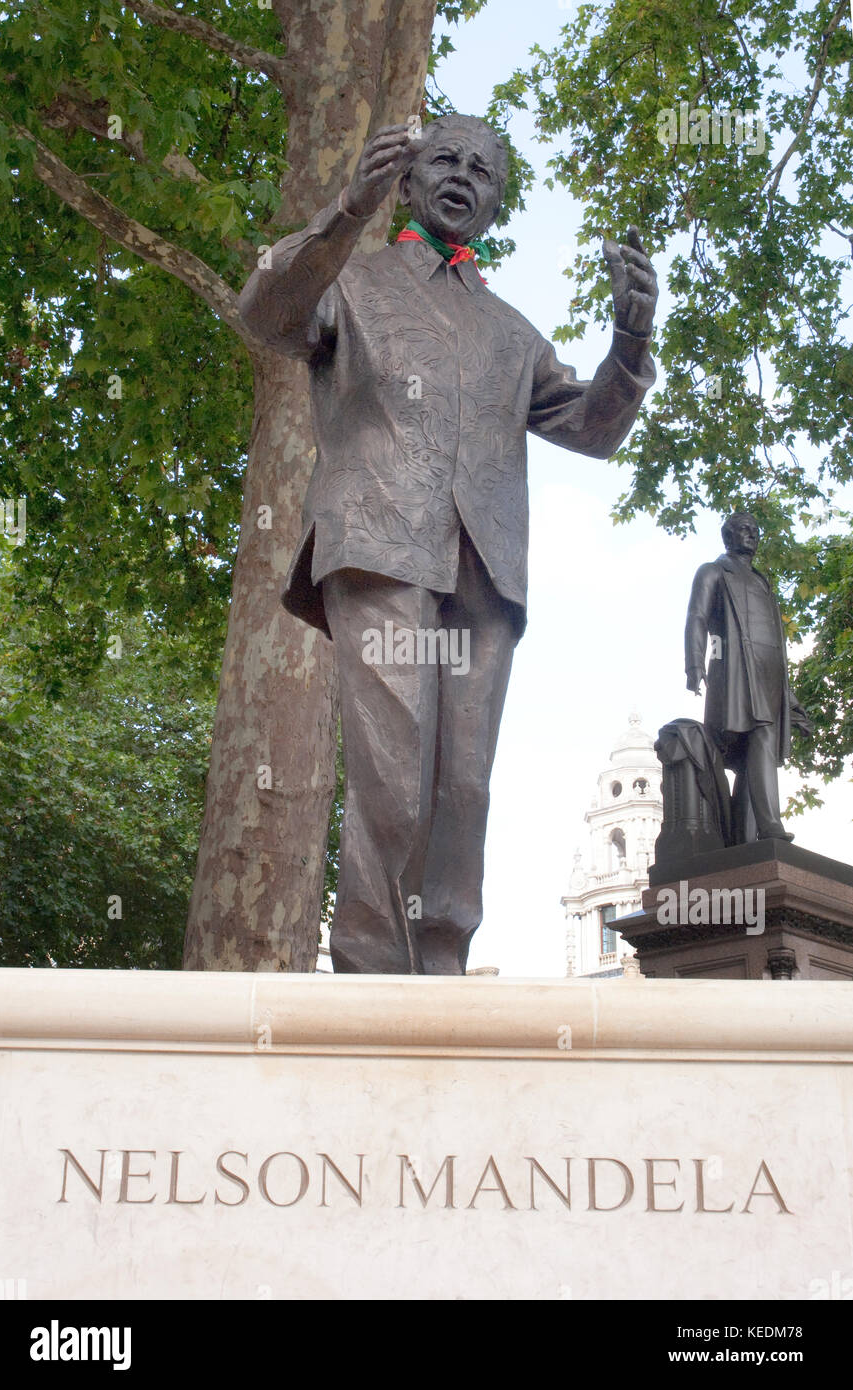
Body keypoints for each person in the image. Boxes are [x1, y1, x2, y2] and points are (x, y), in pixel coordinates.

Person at [238, 114, 658, 973]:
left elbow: (590, 427)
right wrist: (344, 211)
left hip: (484, 570)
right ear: (406, 177)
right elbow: (268, 314)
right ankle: (368, 974)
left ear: (498, 203)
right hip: (380, 542)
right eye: (445, 159)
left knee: (463, 787)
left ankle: (439, 971)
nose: (465, 176)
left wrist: (630, 342)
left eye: (484, 170)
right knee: (393, 778)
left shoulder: (510, 329)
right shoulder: (351, 281)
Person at [685, 513, 813, 842]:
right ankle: (768, 826)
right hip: (735, 672)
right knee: (754, 743)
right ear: (729, 536)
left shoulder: (762, 581)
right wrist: (694, 663)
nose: (753, 535)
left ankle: (749, 833)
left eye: (756, 530)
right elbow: (696, 617)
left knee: (757, 751)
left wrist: (790, 696)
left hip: (769, 673)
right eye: (745, 530)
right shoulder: (713, 571)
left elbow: (776, 642)